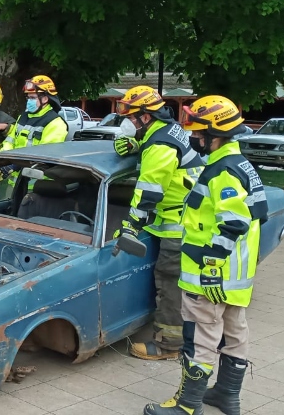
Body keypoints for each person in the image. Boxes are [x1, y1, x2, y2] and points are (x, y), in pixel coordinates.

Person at [144, 95, 267, 415]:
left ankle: (187, 405)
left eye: (199, 133)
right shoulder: (238, 163)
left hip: (209, 276)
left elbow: (235, 223)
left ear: (216, 135)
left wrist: (211, 264)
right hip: (235, 278)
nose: (193, 138)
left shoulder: (223, 171)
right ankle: (226, 395)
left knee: (199, 337)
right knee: (233, 333)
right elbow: (258, 216)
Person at [111, 86, 204, 361]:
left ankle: (169, 344)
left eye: (130, 116)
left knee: (169, 280)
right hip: (180, 216)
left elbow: (149, 193)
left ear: (146, 116)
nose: (126, 121)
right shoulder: (164, 131)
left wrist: (130, 225)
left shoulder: (160, 145)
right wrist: (136, 144)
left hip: (178, 222)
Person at [0, 75, 68, 152]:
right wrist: (5, 155)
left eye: (32, 98)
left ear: (45, 99)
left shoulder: (55, 123)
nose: (29, 101)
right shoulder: (23, 117)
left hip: (35, 163)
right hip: (16, 161)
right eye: (28, 98)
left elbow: (46, 154)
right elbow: (10, 141)